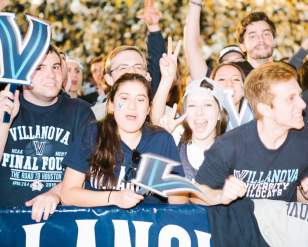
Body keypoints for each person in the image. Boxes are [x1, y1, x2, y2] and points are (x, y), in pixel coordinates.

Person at [192, 62, 308, 206]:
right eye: (291, 98)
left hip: (283, 225)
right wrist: (221, 196)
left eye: (299, 95)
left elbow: (301, 198)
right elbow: (195, 195)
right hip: (240, 226)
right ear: (265, 109)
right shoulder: (229, 146)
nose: (303, 104)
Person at [61, 73, 185, 208]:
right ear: (112, 105)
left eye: (140, 100)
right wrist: (114, 198)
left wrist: (167, 187)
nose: (132, 106)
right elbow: (68, 195)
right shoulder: (92, 133)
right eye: (124, 98)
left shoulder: (161, 140)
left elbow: (180, 203)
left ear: (149, 108)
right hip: (99, 226)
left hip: (148, 227)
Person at [0, 45, 95, 221]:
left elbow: (90, 170)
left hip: (61, 225)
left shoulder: (80, 112)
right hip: (6, 227)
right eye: (39, 67)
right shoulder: (4, 104)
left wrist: (55, 193)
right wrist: (3, 123)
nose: (51, 74)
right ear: (23, 72)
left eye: (55, 67)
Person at [179, 78, 227, 180]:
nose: (199, 112)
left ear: (219, 114)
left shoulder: (233, 154)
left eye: (207, 105)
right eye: (192, 105)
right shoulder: (172, 146)